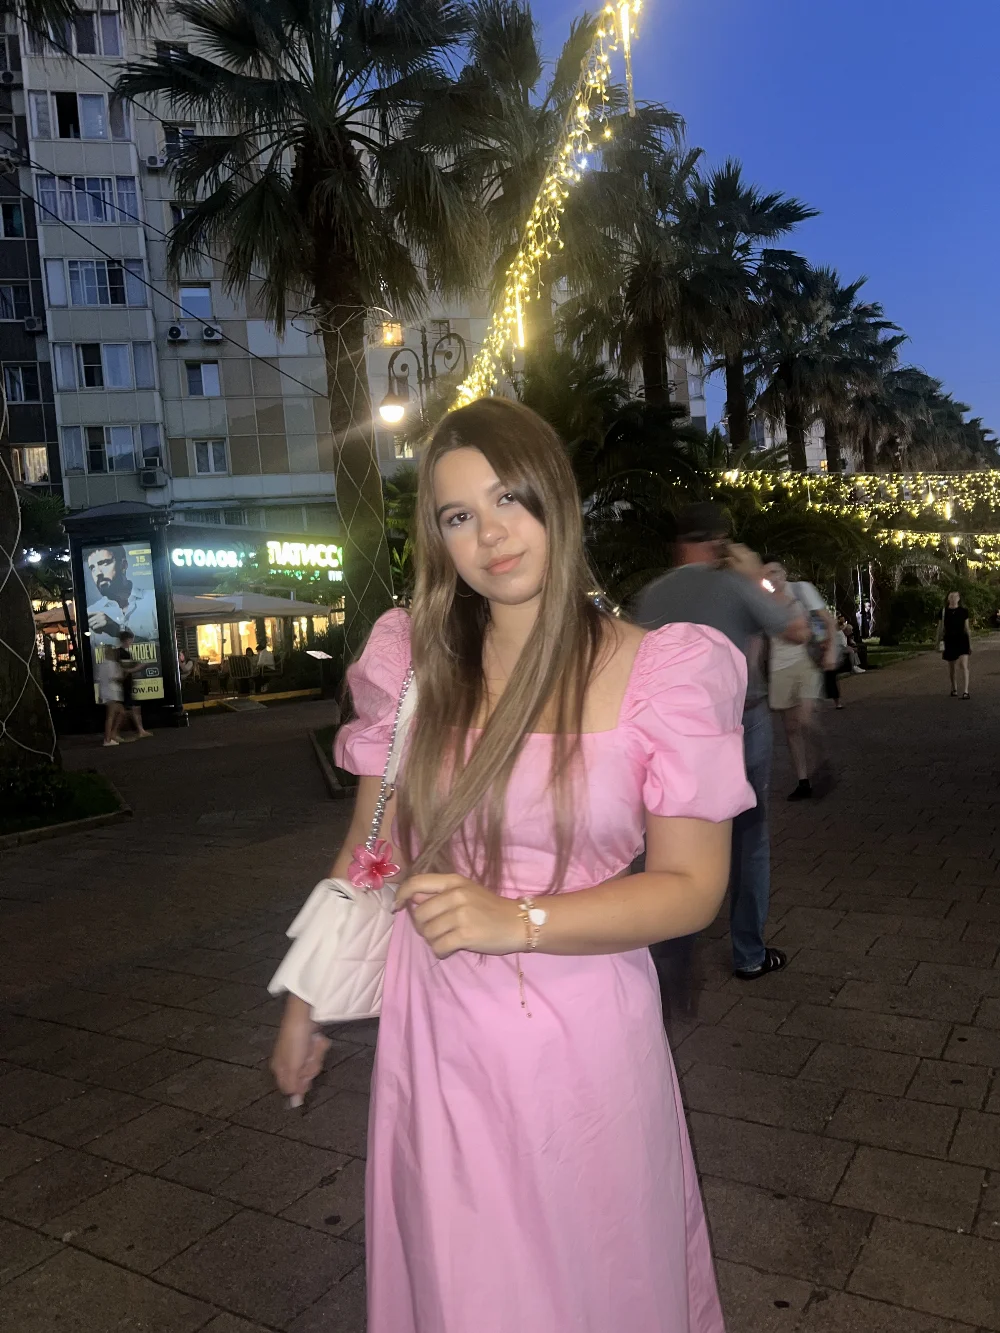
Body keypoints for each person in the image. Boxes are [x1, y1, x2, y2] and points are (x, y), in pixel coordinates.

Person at [270, 399, 755, 1333]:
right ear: (438, 538)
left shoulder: (661, 672)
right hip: (438, 1032)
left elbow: (695, 887)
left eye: (508, 498)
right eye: (458, 515)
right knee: (467, 1289)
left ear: (555, 498)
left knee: (590, 1283)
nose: (490, 534)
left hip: (584, 1039)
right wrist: (306, 999)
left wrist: (518, 919)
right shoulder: (414, 664)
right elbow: (369, 848)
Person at [633, 503, 809, 980]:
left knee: (670, 838)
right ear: (719, 543)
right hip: (739, 723)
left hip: (673, 734)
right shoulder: (735, 584)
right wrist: (761, 580)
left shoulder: (651, 594)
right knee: (750, 836)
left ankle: (666, 954)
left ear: (678, 545)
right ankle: (748, 952)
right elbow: (796, 629)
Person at [762, 558, 837, 800]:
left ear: (784, 572)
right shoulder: (762, 602)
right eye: (766, 574)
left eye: (775, 571)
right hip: (778, 667)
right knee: (791, 728)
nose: (772, 578)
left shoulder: (802, 589)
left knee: (804, 719)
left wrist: (831, 651)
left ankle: (821, 759)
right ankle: (803, 781)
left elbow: (827, 621)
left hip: (806, 660)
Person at [85, 546, 159, 645]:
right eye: (92, 568)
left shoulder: (154, 600)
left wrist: (119, 630)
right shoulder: (91, 614)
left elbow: (164, 649)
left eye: (104, 563)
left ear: (123, 566)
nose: (97, 573)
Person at [116, 629, 151, 739]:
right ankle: (114, 733)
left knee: (132, 707)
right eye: (131, 640)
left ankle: (140, 730)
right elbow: (126, 670)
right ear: (127, 640)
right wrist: (140, 666)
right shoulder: (124, 653)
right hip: (125, 684)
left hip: (125, 684)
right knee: (128, 709)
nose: (132, 642)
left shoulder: (121, 653)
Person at [939, 590, 972, 698]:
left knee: (963, 665)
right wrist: (937, 641)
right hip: (949, 640)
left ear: (959, 598)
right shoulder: (943, 612)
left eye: (955, 596)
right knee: (952, 667)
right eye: (951, 596)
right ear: (948, 598)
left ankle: (966, 691)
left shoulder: (963, 611)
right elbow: (940, 628)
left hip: (962, 639)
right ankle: (954, 688)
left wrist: (970, 643)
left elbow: (967, 628)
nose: (953, 598)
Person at [96, 645, 124, 747]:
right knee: (112, 716)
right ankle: (108, 739)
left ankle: (112, 735)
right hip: (112, 692)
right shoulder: (113, 664)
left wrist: (100, 695)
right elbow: (116, 677)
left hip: (105, 692)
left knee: (119, 712)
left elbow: (99, 680)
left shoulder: (101, 665)